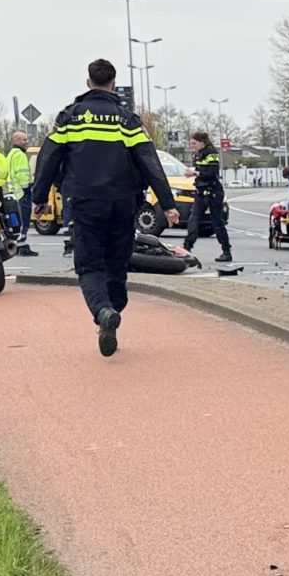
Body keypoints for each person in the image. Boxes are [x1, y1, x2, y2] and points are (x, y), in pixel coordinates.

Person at [32, 60, 180, 356]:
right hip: (124, 201)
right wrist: (168, 205)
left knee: (88, 265)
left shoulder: (69, 118)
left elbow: (48, 158)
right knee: (117, 262)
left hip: (85, 202)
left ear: (89, 82)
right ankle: (113, 309)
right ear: (113, 84)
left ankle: (102, 312)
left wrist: (39, 198)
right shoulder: (127, 120)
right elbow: (150, 162)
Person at [178, 130, 232, 263]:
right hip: (201, 192)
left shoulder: (211, 154)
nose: (192, 146)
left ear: (202, 143)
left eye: (194, 143)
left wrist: (195, 173)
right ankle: (187, 248)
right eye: (191, 144)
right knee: (193, 221)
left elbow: (212, 172)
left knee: (217, 222)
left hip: (213, 193)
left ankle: (226, 251)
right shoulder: (198, 155)